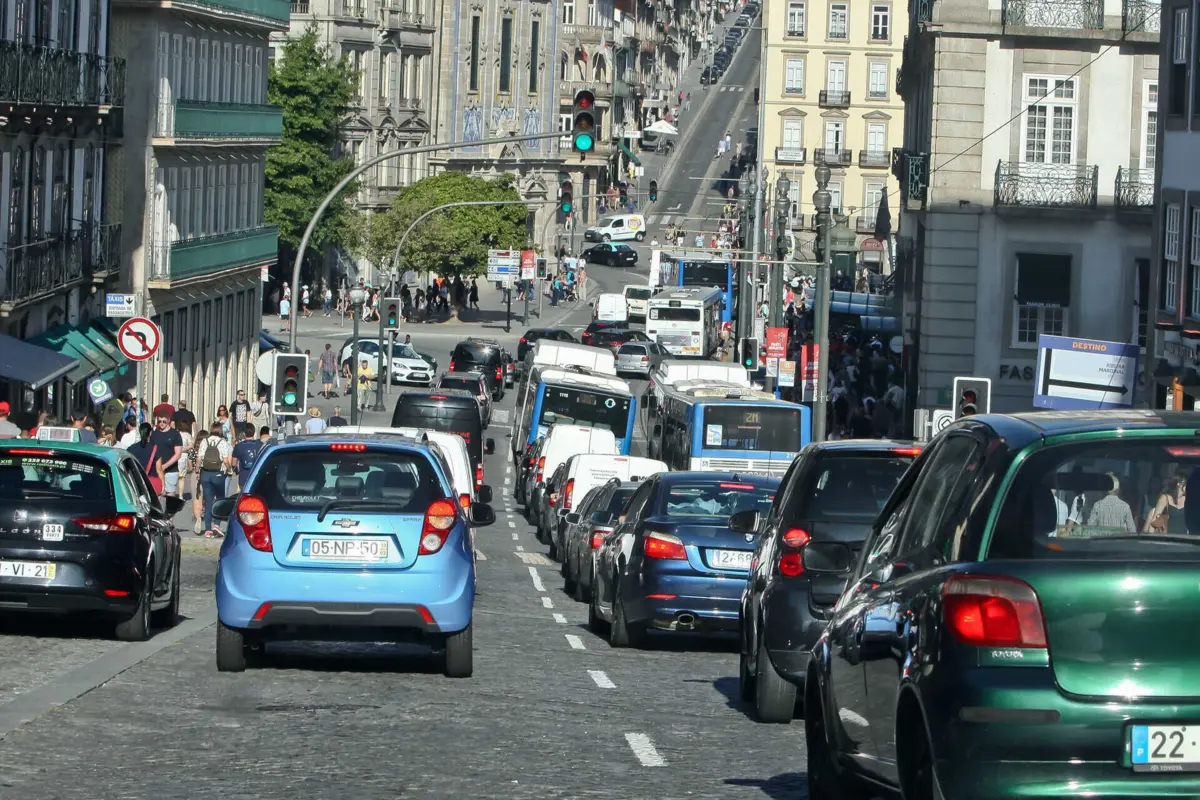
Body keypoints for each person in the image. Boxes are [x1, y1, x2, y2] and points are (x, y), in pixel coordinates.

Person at [196, 424, 232, 538]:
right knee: (220, 500)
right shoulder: (222, 443)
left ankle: (207, 529)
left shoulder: (204, 441)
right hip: (218, 474)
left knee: (208, 502)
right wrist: (229, 469)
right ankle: (216, 525)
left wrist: (197, 470)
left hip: (205, 474)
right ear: (220, 431)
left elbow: (199, 458)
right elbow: (225, 460)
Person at [149, 411, 185, 496]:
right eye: (159, 421)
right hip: (156, 470)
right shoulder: (154, 434)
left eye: (164, 421)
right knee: (156, 493)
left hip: (171, 470)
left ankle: (169, 509)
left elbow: (178, 454)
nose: (161, 424)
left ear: (168, 421)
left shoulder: (175, 434)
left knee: (170, 494)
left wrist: (165, 466)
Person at [125, 422, 164, 493]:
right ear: (150, 433)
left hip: (135, 483)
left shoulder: (131, 448)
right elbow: (159, 470)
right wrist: (163, 484)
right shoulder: (155, 449)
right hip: (151, 484)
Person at [230, 423, 263, 492]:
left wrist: (236, 472)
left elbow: (233, 463)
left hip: (243, 479)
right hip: (257, 478)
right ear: (254, 433)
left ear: (244, 434)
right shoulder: (260, 445)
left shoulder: (238, 446)